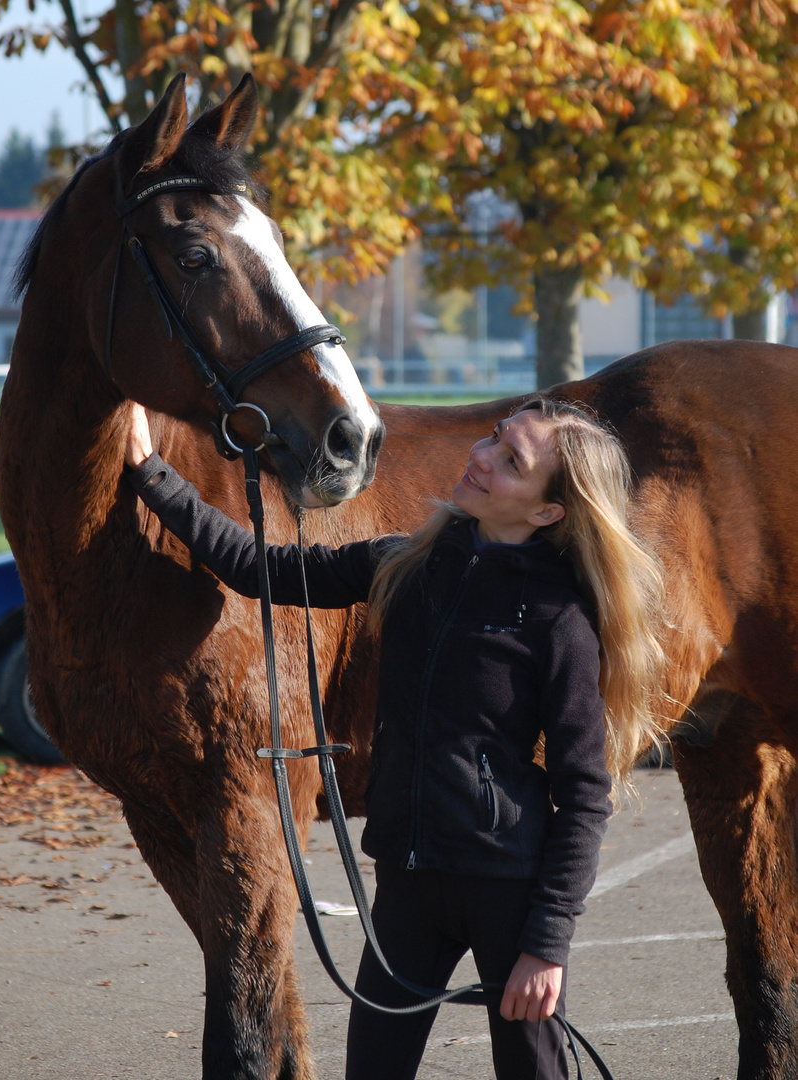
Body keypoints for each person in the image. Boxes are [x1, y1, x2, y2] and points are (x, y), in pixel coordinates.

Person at [123, 394, 665, 1080]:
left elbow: (585, 795)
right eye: (494, 439)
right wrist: (152, 473)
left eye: (509, 460)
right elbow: (261, 569)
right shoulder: (410, 564)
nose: (481, 456)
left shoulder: (560, 622)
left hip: (509, 892)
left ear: (546, 510)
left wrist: (546, 946)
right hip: (408, 884)